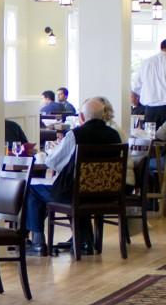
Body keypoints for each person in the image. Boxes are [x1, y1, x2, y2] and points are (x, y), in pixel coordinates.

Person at [24, 96, 121, 251]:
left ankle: (37, 243)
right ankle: (84, 240)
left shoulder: (76, 134)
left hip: (76, 195)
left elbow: (53, 162)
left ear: (81, 117)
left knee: (33, 189)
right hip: (107, 195)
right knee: (73, 186)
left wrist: (56, 150)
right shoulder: (114, 135)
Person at [131, 38, 166, 127]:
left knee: (151, 138)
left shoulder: (145, 63)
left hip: (149, 110)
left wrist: (136, 104)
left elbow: (136, 87)